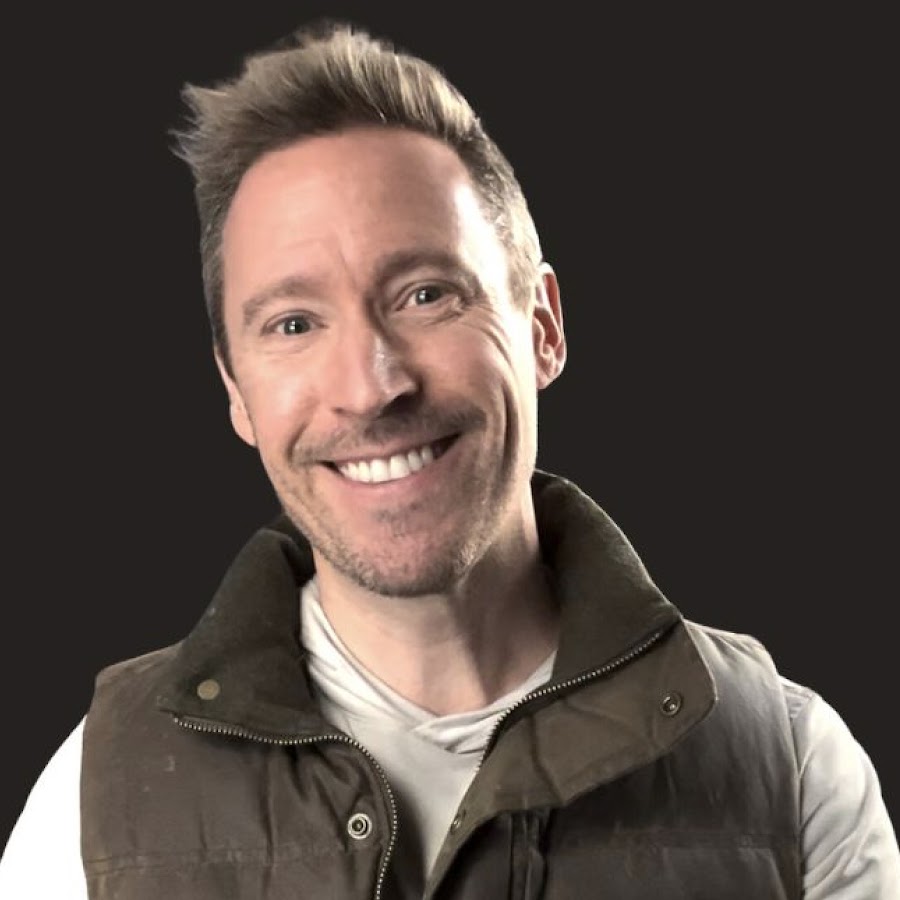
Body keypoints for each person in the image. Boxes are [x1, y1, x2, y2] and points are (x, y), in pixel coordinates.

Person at [1, 19, 898, 900]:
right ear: (235, 389)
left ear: (541, 326)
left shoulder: (792, 772)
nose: (370, 386)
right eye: (294, 324)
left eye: (426, 294)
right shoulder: (90, 809)